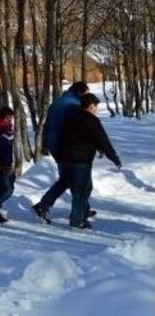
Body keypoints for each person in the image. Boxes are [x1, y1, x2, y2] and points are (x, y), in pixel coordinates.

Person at [58, 94, 121, 229]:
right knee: (81, 190)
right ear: (91, 106)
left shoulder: (70, 117)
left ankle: (81, 212)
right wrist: (114, 158)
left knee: (84, 188)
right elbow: (103, 140)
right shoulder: (92, 120)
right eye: (97, 107)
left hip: (65, 158)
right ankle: (77, 220)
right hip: (81, 160)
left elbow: (83, 136)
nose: (97, 110)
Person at [32, 82, 90, 223]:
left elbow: (47, 124)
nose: (87, 97)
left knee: (68, 178)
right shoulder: (75, 105)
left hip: (54, 145)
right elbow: (78, 126)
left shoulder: (57, 102)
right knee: (74, 178)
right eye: (86, 94)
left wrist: (45, 144)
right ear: (80, 92)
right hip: (66, 146)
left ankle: (81, 208)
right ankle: (76, 210)